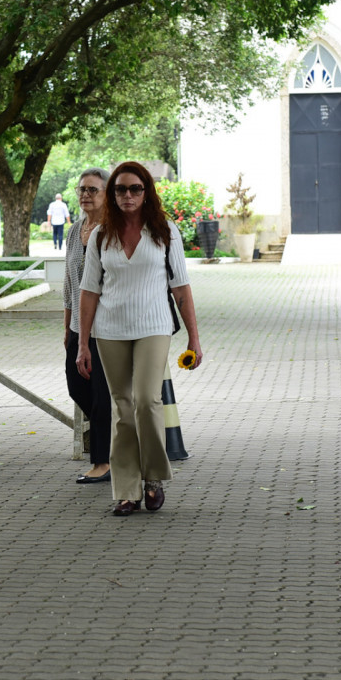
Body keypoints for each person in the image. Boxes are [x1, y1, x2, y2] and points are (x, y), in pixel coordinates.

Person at [77, 161, 203, 517]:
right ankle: (127, 491)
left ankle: (154, 478)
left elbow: (181, 287)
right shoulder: (101, 236)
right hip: (109, 330)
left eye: (135, 188)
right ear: (112, 195)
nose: (128, 195)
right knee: (123, 409)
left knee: (147, 401)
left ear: (147, 192)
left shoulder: (165, 231)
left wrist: (194, 339)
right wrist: (83, 343)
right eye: (120, 189)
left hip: (154, 327)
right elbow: (89, 291)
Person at [63, 168, 112, 484]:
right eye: (82, 189)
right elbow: (69, 283)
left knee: (102, 394)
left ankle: (103, 462)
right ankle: (121, 438)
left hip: (106, 326)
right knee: (76, 386)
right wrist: (67, 328)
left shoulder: (112, 231)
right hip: (78, 328)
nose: (85, 195)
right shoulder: (74, 231)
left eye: (93, 189)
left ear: (107, 194)